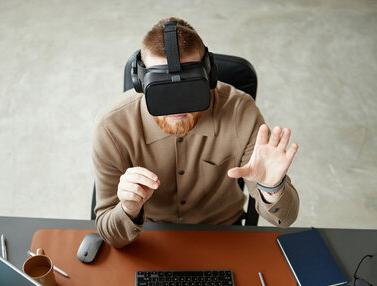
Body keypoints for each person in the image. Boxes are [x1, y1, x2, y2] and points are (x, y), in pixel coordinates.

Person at [92, 17, 299, 248]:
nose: (178, 106)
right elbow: (110, 235)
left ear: (209, 75)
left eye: (189, 88)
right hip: (148, 237)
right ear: (140, 82)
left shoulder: (241, 112)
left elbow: (285, 218)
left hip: (221, 234)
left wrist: (272, 188)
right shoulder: (112, 127)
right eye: (163, 90)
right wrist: (128, 209)